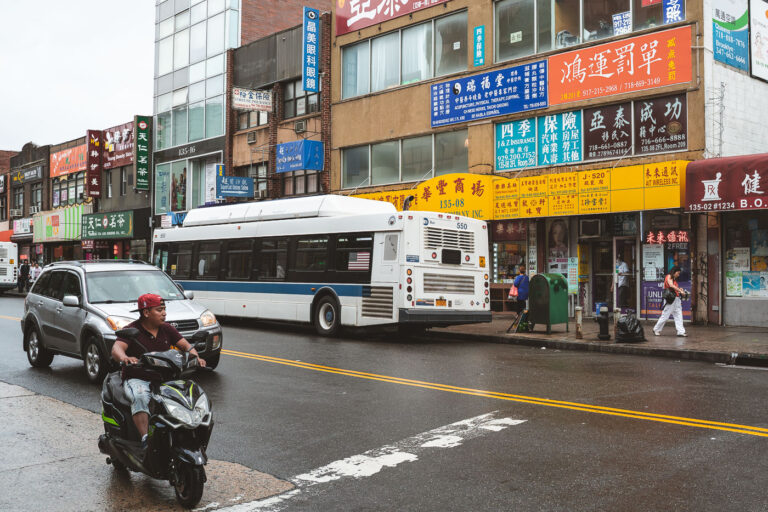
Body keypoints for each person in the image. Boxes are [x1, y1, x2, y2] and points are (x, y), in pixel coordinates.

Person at [111, 293, 206, 449]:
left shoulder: (166, 329)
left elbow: (186, 346)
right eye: (159, 310)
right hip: (138, 378)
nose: (164, 313)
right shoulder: (132, 329)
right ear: (146, 312)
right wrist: (125, 358)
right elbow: (117, 349)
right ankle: (145, 440)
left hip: (164, 377)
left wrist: (197, 357)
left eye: (164, 309)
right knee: (140, 397)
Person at [653, 266, 688, 337]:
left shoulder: (673, 278)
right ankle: (656, 329)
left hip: (676, 299)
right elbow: (671, 285)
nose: (678, 275)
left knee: (678, 315)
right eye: (678, 273)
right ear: (674, 272)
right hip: (671, 299)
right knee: (665, 316)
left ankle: (681, 331)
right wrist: (680, 290)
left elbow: (673, 287)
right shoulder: (668, 276)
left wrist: (679, 289)